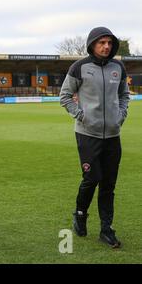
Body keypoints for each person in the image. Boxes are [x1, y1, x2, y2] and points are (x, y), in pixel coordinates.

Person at [60, 26, 130, 248]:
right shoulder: (79, 67)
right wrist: (81, 116)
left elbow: (124, 95)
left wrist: (121, 116)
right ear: (92, 44)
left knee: (108, 184)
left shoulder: (118, 67)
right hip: (87, 134)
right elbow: (65, 97)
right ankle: (80, 214)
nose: (106, 46)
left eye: (109, 43)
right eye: (102, 43)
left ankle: (106, 229)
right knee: (92, 178)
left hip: (112, 135)